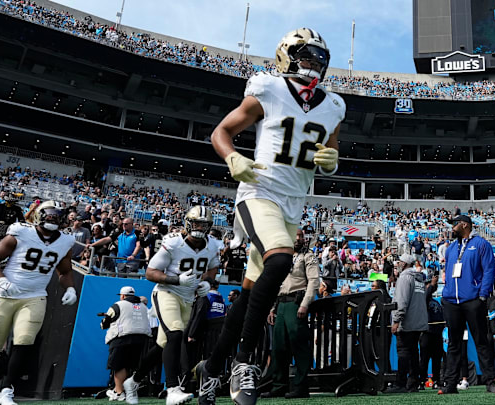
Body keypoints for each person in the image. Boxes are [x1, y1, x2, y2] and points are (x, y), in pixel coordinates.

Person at [197, 27, 345, 405]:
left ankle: (209, 370)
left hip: (293, 204)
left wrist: (331, 162)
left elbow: (329, 154)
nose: (313, 64)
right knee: (280, 260)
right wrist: (232, 156)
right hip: (259, 192)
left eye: (318, 59)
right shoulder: (268, 88)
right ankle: (243, 363)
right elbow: (222, 131)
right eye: (306, 56)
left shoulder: (334, 106)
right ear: (287, 55)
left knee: (249, 295)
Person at [0, 201, 78, 405]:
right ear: (38, 215)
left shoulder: (65, 241)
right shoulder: (21, 232)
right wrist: (1, 279)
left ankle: (6, 391)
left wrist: (70, 287)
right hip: (6, 293)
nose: (53, 218)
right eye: (49, 214)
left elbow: (65, 271)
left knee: (24, 340)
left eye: (57, 215)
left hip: (35, 295)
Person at [122, 206, 219, 405]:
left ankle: (133, 382)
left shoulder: (212, 245)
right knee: (175, 334)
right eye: (196, 223)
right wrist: (176, 280)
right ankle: (173, 389)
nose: (199, 227)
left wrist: (207, 282)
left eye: (204, 224)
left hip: (188, 298)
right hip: (167, 292)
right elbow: (150, 272)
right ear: (188, 223)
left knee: (163, 345)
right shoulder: (174, 243)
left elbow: (212, 268)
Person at [438, 215, 495, 395]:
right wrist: (446, 292)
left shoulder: (481, 244)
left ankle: (490, 381)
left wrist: (482, 295)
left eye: (454, 224)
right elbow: (447, 270)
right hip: (451, 301)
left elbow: (489, 269)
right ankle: (450, 383)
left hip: (473, 300)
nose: (452, 228)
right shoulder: (451, 248)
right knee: (453, 344)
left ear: (464, 225)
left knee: (481, 341)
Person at [263, 229, 319, 399]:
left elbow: (314, 281)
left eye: (301, 236)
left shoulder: (307, 255)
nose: (298, 238)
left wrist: (305, 304)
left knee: (299, 345)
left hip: (296, 302)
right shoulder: (283, 256)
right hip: (281, 303)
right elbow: (276, 283)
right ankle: (279, 385)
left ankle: (301, 387)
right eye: (295, 235)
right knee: (279, 347)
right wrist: (272, 307)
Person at [101, 286, 152, 401]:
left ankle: (119, 392)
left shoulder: (117, 305)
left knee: (119, 366)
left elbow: (105, 323)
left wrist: (104, 323)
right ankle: (123, 390)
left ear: (122, 296)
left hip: (122, 338)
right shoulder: (143, 306)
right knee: (130, 366)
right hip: (142, 339)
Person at [388, 254, 427, 393]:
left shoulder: (404, 278)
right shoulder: (419, 279)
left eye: (399, 262)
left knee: (403, 352)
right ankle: (413, 383)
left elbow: (402, 301)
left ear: (404, 264)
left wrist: (397, 320)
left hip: (407, 322)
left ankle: (401, 383)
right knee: (414, 353)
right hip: (418, 322)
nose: (397, 264)